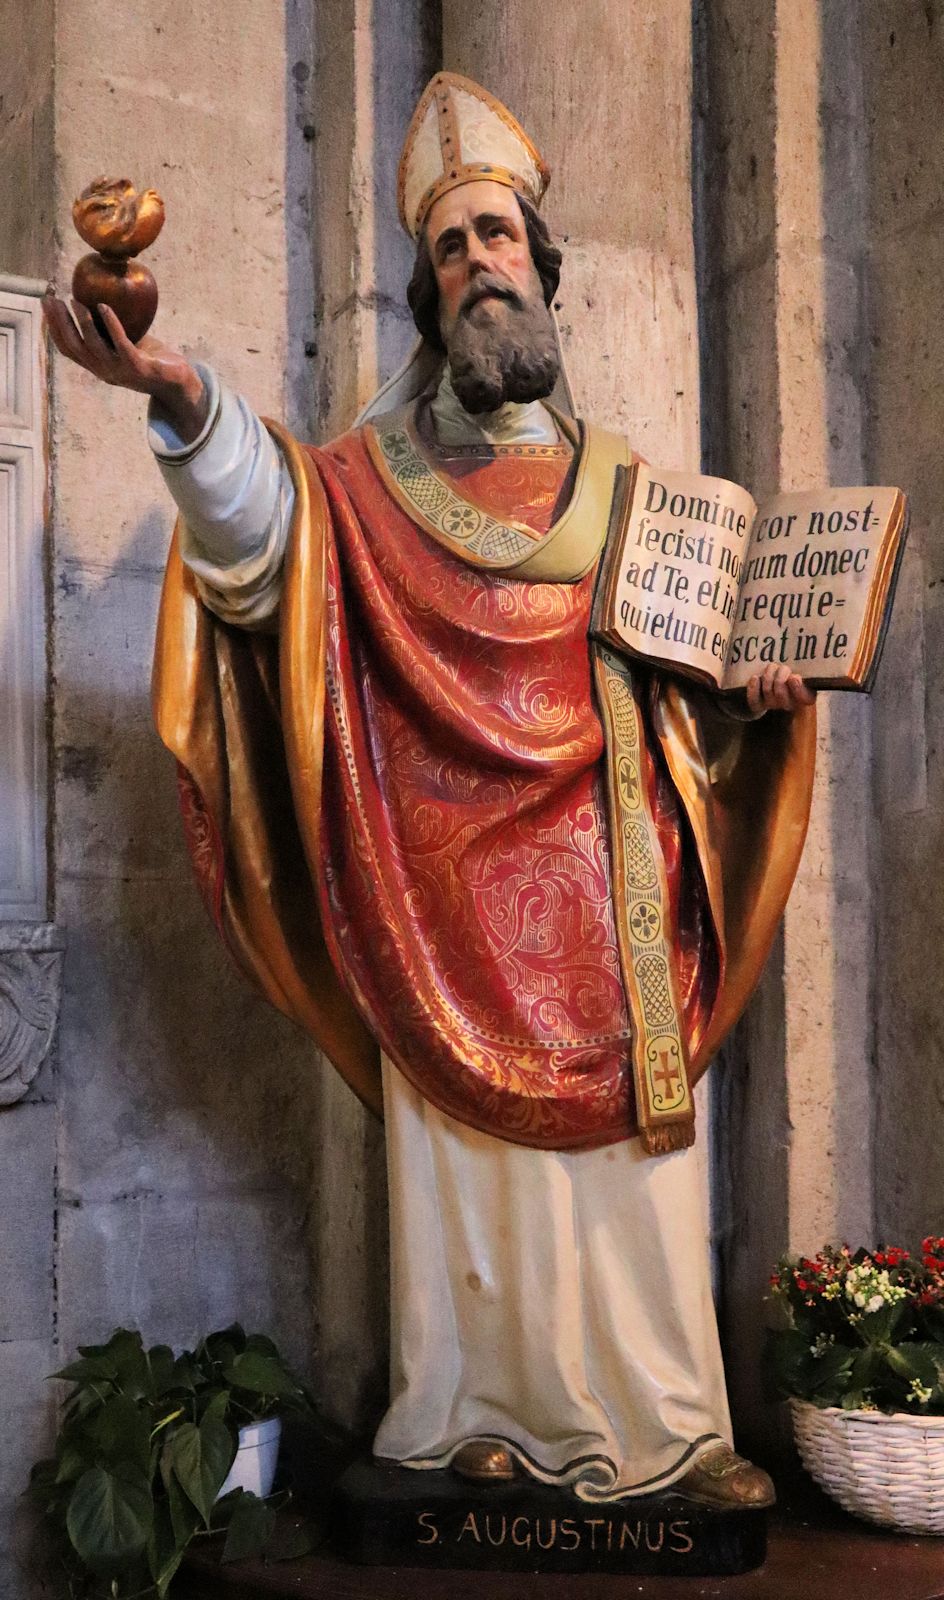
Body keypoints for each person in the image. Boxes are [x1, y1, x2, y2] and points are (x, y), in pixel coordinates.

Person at [44, 72, 815, 1508]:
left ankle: (670, 1436)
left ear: (544, 266)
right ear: (425, 294)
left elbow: (708, 700)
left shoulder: (644, 494)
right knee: (471, 1187)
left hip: (617, 897)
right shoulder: (370, 487)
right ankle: (469, 1421)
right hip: (436, 890)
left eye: (498, 238)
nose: (477, 265)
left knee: (634, 1201)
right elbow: (263, 537)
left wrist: (758, 701)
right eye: (451, 248)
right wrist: (181, 397)